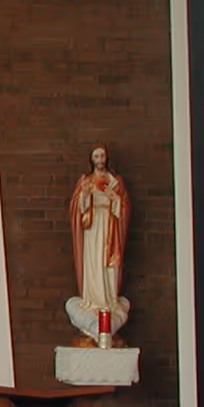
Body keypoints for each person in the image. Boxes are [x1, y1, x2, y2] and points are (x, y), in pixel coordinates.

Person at [66, 145, 129, 341]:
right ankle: (93, 299)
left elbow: (124, 207)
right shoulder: (85, 181)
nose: (100, 159)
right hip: (92, 229)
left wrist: (115, 199)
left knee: (108, 264)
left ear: (106, 158)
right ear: (91, 159)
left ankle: (108, 299)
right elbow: (77, 209)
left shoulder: (114, 181)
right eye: (96, 156)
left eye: (102, 155)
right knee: (94, 262)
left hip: (109, 227)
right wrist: (84, 195)